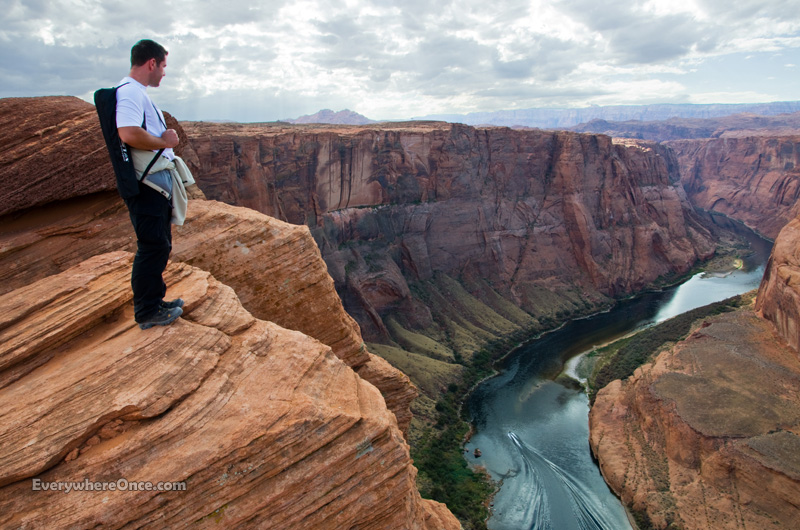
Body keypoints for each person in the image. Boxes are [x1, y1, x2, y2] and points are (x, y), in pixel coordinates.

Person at [116, 39, 183, 330]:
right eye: (164, 66)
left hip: (152, 184)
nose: (164, 73)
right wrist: (163, 142)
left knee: (159, 245)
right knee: (152, 247)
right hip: (146, 187)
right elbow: (128, 133)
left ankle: (155, 301)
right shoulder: (130, 93)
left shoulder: (136, 93)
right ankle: (146, 312)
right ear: (151, 63)